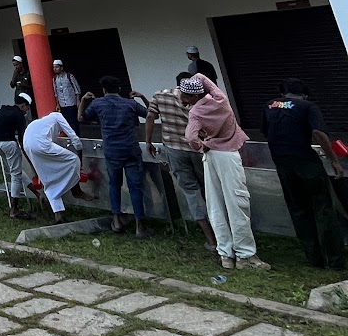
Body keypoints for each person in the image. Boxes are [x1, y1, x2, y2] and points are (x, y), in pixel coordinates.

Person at [180, 74, 270, 271]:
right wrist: (196, 77)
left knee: (215, 205)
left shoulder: (195, 112)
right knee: (238, 203)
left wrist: (200, 146)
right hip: (228, 155)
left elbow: (190, 137)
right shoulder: (220, 101)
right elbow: (206, 80)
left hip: (210, 155)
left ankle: (226, 254)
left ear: (190, 96)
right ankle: (245, 255)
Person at [263, 78, 345, 271]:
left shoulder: (269, 105)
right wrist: (334, 160)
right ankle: (335, 261)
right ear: (304, 94)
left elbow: (267, 132)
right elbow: (318, 133)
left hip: (282, 163)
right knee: (323, 209)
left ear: (284, 93)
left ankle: (314, 260)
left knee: (299, 211)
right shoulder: (308, 106)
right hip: (306, 162)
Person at [146, 74, 218, 251]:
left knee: (191, 192)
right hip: (199, 148)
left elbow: (150, 117)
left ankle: (211, 240)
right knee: (210, 189)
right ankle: (222, 232)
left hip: (174, 149)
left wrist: (148, 141)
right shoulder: (201, 98)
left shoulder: (160, 95)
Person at [81, 76, 151, 237]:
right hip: (131, 150)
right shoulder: (130, 104)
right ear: (119, 89)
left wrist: (84, 100)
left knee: (114, 185)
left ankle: (116, 220)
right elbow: (151, 115)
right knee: (135, 187)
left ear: (104, 90)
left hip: (112, 151)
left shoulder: (97, 103)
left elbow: (81, 118)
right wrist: (142, 97)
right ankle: (140, 225)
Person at [23, 110, 83, 222]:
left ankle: (58, 214)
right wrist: (80, 157)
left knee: (48, 179)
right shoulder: (58, 116)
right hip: (40, 144)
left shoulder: (42, 123)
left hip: (27, 144)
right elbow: (74, 138)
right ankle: (76, 190)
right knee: (74, 160)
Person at [0, 93, 32, 219]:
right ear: (23, 105)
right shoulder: (19, 115)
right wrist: (28, 157)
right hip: (9, 144)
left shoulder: (2, 109)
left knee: (16, 170)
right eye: (27, 108)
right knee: (15, 176)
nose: (27, 111)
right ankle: (14, 209)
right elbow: (22, 138)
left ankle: (36, 193)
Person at [52, 59, 83, 126]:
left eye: (57, 67)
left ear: (61, 68)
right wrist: (57, 104)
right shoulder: (54, 79)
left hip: (71, 103)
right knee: (66, 122)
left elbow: (77, 89)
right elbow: (56, 93)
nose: (55, 69)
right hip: (62, 104)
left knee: (73, 121)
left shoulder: (69, 76)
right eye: (54, 67)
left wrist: (78, 101)